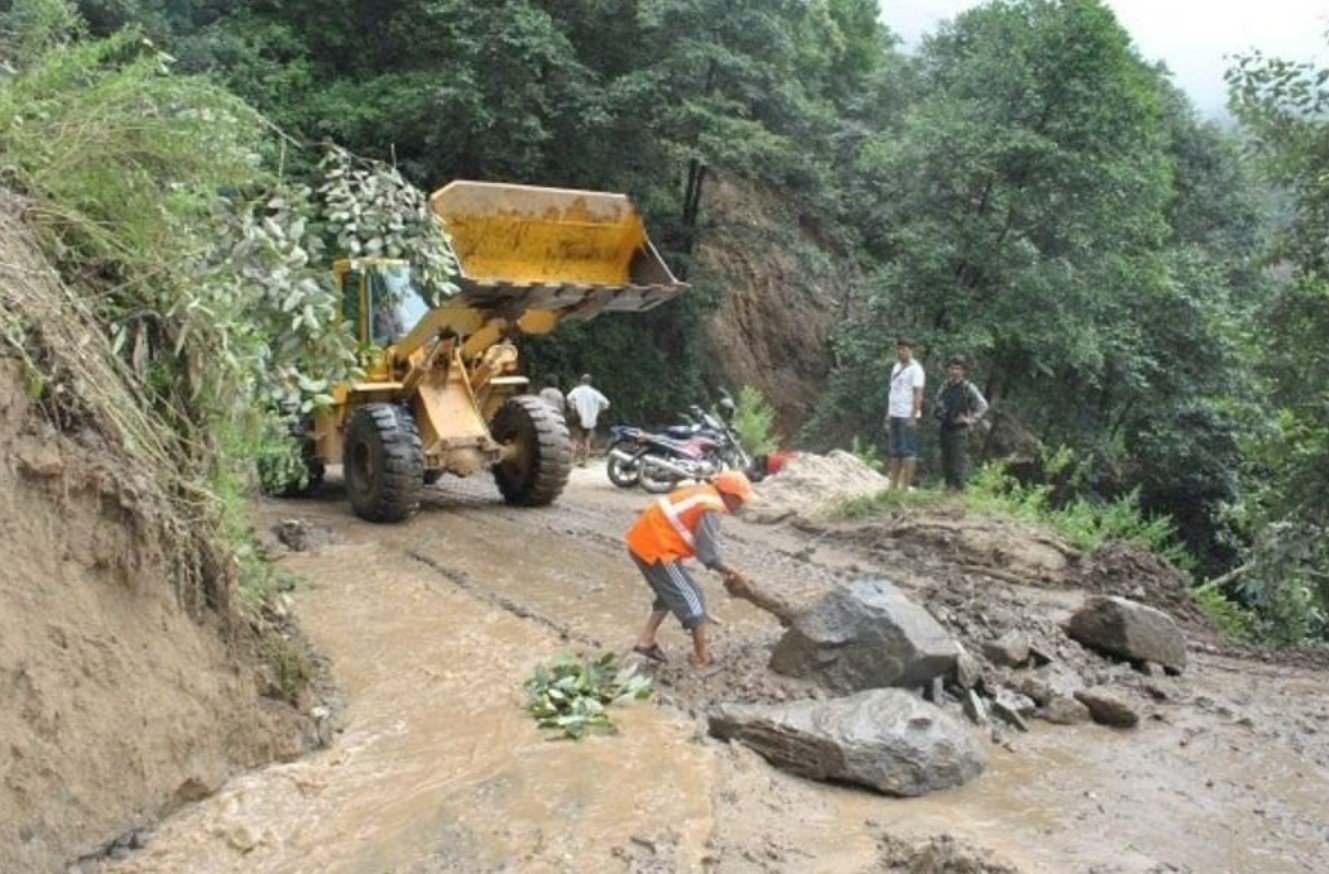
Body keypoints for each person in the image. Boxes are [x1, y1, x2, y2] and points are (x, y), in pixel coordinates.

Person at [625, 470, 756, 668]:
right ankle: (701, 657)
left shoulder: (702, 492)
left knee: (669, 592)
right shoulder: (710, 506)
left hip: (644, 542)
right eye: (740, 500)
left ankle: (645, 641)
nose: (741, 505)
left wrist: (726, 570)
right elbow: (708, 553)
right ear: (730, 496)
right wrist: (734, 573)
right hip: (658, 550)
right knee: (692, 597)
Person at [934, 357, 989, 491]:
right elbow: (937, 402)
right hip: (945, 426)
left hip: (959, 429)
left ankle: (958, 493)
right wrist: (940, 411)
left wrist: (971, 419)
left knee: (957, 463)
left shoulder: (968, 388)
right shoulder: (944, 386)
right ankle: (948, 490)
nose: (954, 371)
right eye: (952, 368)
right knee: (946, 462)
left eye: (958, 369)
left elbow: (983, 405)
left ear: (963, 371)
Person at [885, 338, 925, 490]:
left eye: (905, 349)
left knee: (908, 450)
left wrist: (913, 416)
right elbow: (892, 392)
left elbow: (918, 394)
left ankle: (905, 487)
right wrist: (888, 414)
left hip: (906, 414)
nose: (902, 352)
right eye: (900, 349)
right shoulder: (896, 367)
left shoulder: (916, 369)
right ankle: (893, 484)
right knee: (895, 451)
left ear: (911, 351)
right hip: (894, 412)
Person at [565, 373, 610, 466]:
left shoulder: (577, 390)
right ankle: (584, 462)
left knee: (574, 439)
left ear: (581, 381)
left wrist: (573, 407)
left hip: (578, 418)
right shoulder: (595, 393)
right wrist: (598, 410)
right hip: (590, 421)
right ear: (590, 382)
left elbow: (568, 398)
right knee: (587, 440)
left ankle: (570, 461)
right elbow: (606, 403)